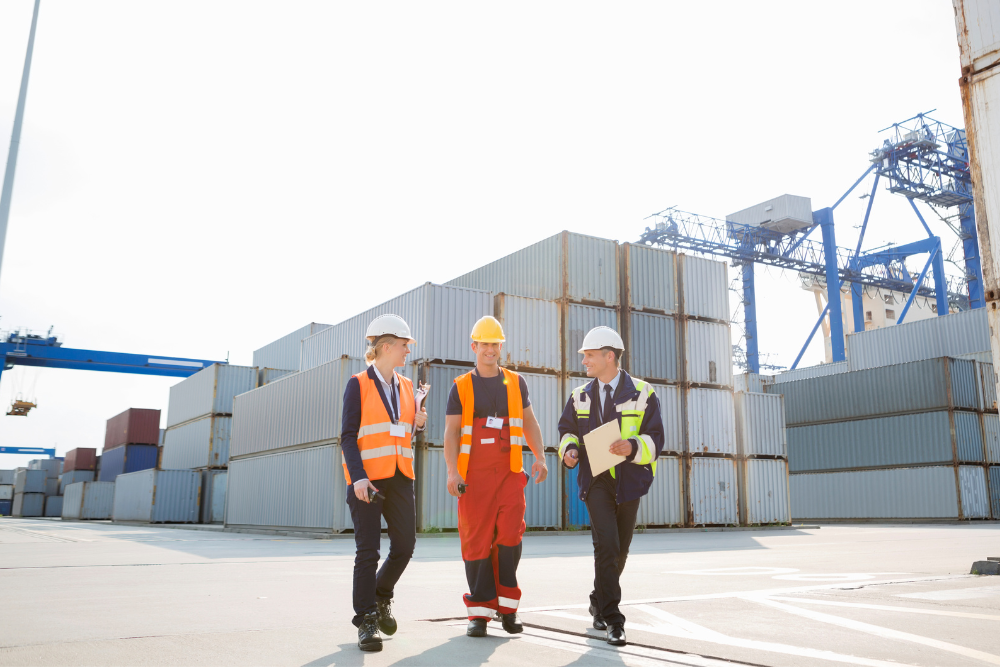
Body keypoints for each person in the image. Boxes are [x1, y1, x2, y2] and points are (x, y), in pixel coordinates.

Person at [557, 326, 664, 647]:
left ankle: (597, 598)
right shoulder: (579, 396)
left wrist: (632, 446)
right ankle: (612, 619)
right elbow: (566, 431)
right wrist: (570, 451)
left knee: (619, 549)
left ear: (609, 356)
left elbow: (656, 438)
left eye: (589, 355)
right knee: (606, 545)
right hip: (596, 480)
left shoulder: (644, 393)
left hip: (629, 481)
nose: (585, 360)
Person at [443, 315, 549, 638]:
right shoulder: (461, 387)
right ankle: (479, 613)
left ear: (501, 347)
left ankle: (508, 609)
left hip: (509, 472)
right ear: (474, 346)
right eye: (484, 344)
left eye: (495, 344)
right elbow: (450, 432)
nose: (490, 350)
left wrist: (541, 456)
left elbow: (529, 422)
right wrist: (451, 470)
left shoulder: (516, 383)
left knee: (509, 538)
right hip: (472, 477)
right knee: (475, 540)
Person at [341, 314, 428, 652]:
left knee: (405, 546)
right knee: (368, 551)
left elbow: (403, 433)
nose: (409, 352)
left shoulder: (407, 387)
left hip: (400, 477)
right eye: (405, 346)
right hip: (368, 480)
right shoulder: (358, 383)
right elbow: (348, 436)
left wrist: (418, 424)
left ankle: (380, 595)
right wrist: (358, 477)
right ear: (386, 346)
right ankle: (366, 620)